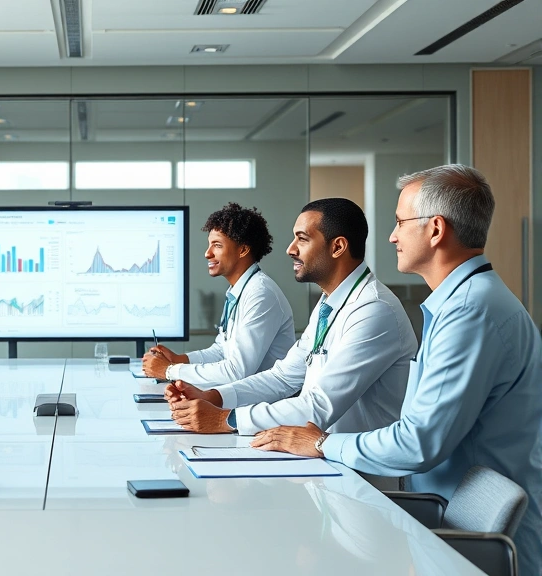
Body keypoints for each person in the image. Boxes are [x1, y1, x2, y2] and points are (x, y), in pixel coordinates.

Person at [252, 165, 542, 576]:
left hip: (468, 549)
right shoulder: (461, 304)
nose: (391, 236)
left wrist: (322, 443)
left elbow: (417, 443)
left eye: (401, 222)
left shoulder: (469, 312)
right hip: (439, 525)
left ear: (436, 229)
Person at [166, 198, 417, 437]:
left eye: (302, 239)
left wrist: (226, 419)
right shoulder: (329, 303)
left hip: (363, 475)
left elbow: (319, 406)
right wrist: (213, 397)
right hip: (321, 459)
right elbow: (284, 376)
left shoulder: (373, 308)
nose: (290, 249)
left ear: (338, 247)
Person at [144, 203, 294, 384]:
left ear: (243, 250)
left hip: (265, 405)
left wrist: (169, 371)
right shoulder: (238, 291)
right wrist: (179, 359)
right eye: (209, 245)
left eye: (217, 245)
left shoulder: (261, 294)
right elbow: (221, 350)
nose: (207, 253)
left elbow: (236, 370)